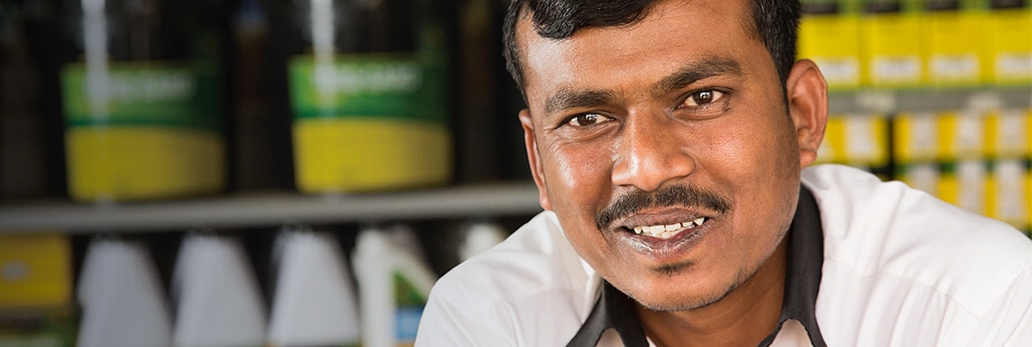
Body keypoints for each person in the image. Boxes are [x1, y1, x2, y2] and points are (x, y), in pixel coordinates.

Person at [415, 0, 1032, 345]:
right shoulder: (491, 323)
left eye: (700, 99)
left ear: (801, 116)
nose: (647, 169)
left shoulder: (976, 303)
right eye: (587, 118)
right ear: (538, 164)